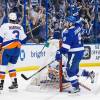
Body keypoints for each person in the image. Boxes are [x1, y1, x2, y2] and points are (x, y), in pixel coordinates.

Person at [55, 16, 85, 93]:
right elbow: (79, 23)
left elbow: (65, 48)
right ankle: (88, 74)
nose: (65, 23)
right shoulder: (78, 27)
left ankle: (76, 87)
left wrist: (59, 52)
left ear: (71, 23)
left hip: (75, 52)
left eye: (67, 21)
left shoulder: (69, 33)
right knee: (75, 70)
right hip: (79, 51)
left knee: (70, 71)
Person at [0, 12, 27, 91]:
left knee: (2, 66)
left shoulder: (4, 26)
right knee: (11, 66)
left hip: (7, 49)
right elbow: (24, 40)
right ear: (15, 19)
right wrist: (17, 42)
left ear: (9, 18)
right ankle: (14, 83)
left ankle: (1, 84)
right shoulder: (20, 27)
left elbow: (0, 39)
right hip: (17, 49)